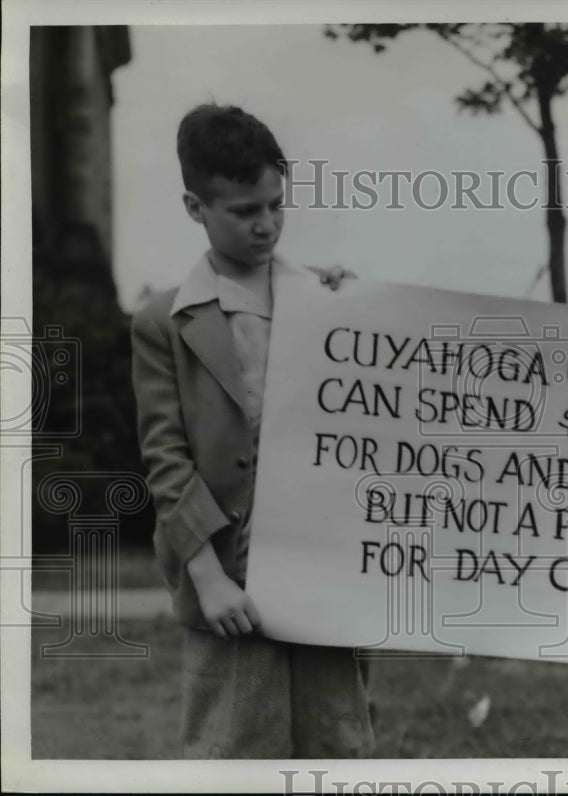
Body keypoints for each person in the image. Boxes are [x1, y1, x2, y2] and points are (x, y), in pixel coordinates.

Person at [131, 104, 373, 758]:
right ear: (194, 206)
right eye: (243, 212)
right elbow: (167, 459)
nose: (266, 224)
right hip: (228, 580)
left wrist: (362, 318)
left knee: (338, 744)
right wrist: (206, 573)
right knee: (232, 748)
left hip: (321, 570)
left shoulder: (323, 298)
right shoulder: (165, 321)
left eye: (275, 205)